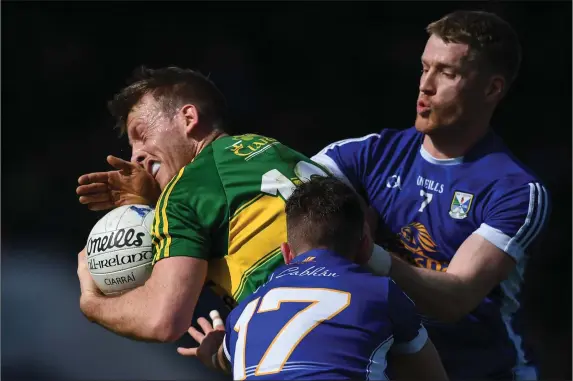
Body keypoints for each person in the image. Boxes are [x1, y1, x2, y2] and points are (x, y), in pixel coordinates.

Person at [310, 10, 550, 380]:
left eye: (448, 73)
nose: (426, 85)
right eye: (425, 68)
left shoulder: (516, 190)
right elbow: (292, 189)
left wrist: (365, 250)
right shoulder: (371, 153)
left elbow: (455, 298)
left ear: (492, 89)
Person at [75, 66, 387, 343]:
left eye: (141, 135)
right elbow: (361, 221)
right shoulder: (271, 149)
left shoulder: (186, 189)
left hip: (309, 339)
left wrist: (91, 303)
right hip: (376, 314)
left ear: (188, 118)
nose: (136, 157)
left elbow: (163, 320)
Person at [177, 176, 449, 380]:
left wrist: (213, 352)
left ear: (286, 253)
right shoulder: (382, 293)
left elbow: (225, 357)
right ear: (366, 245)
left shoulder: (243, 314)